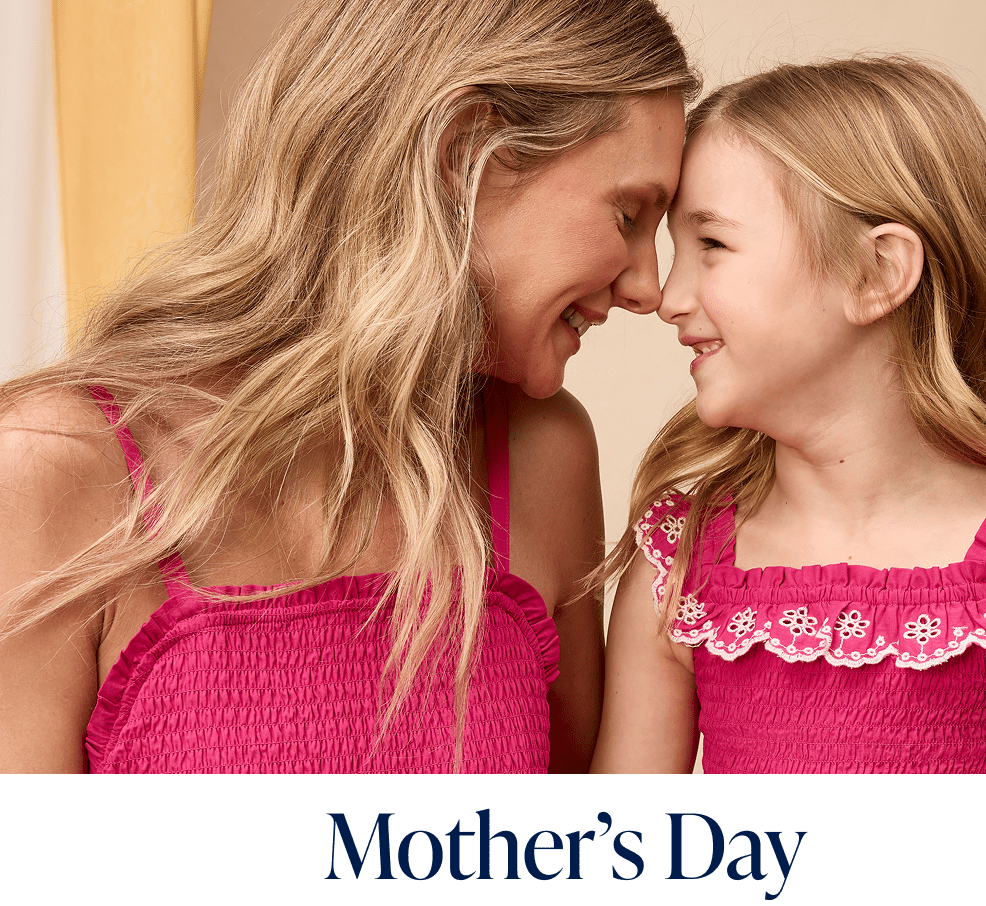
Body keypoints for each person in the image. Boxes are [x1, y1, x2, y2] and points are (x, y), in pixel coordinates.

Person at [0, 0, 699, 773]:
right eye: (628, 214)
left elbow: (562, 836)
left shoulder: (540, 453)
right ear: (465, 153)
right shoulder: (56, 464)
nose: (648, 288)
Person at [592, 55, 986, 774]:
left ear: (876, 274)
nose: (668, 297)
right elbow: (626, 842)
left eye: (711, 245)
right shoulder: (676, 572)